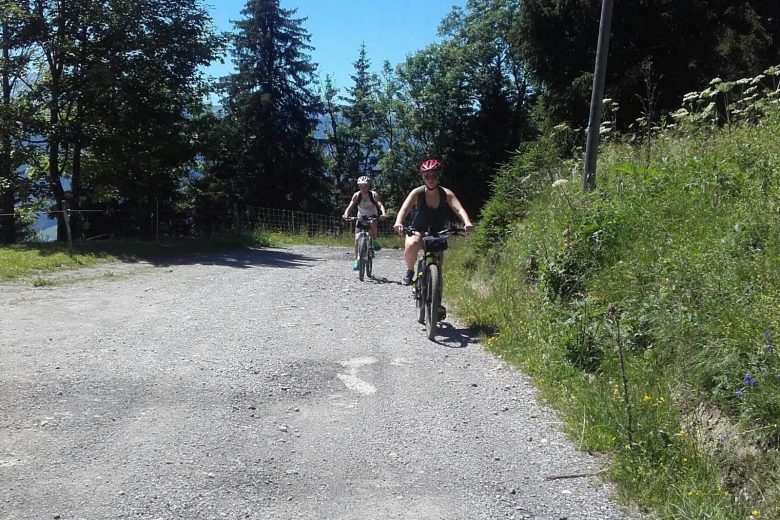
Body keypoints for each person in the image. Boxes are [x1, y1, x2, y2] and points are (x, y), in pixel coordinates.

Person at [393, 159, 474, 285]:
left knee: (438, 269)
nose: (431, 179)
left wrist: (467, 222)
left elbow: (459, 209)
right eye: (427, 176)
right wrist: (399, 222)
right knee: (411, 244)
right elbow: (404, 209)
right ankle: (410, 271)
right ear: (423, 178)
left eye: (434, 176)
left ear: (438, 177)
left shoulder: (446, 193)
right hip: (418, 229)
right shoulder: (417, 193)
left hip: (438, 232)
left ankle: (436, 300)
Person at [342, 176, 387, 270]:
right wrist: (346, 214)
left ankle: (374, 241)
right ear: (359, 186)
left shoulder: (373, 194)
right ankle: (357, 260)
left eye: (365, 186)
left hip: (372, 215)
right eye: (361, 186)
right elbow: (350, 206)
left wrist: (383, 213)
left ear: (368, 185)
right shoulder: (356, 195)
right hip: (361, 216)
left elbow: (380, 204)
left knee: (373, 223)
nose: (363, 188)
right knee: (357, 238)